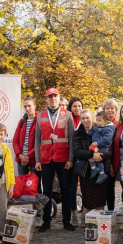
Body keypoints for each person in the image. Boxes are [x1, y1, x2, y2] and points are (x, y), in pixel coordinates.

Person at [35, 88, 76, 232]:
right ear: (46, 99)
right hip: (46, 159)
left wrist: (71, 158)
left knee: (65, 191)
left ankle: (66, 220)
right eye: (50, 97)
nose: (52, 99)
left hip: (63, 158)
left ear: (59, 98)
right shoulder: (40, 116)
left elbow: (71, 139)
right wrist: (37, 160)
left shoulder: (68, 115)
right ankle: (46, 221)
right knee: (46, 192)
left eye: (55, 97)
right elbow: (37, 140)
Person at [72, 109, 110, 221]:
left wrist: (101, 156)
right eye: (83, 118)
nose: (85, 120)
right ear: (80, 119)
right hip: (86, 169)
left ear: (92, 118)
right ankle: (87, 219)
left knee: (100, 196)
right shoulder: (77, 133)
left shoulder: (101, 130)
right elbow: (76, 151)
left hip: (101, 168)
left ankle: (100, 220)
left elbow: (109, 148)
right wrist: (92, 154)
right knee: (87, 197)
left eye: (87, 117)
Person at [13, 97, 39, 177]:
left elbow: (40, 142)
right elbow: (15, 140)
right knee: (21, 184)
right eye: (25, 106)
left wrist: (28, 157)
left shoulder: (40, 121)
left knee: (34, 186)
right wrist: (20, 155)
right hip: (21, 160)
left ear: (34, 106)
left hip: (34, 160)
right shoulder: (22, 121)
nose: (27, 108)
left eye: (29, 106)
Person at [67, 97, 83, 225]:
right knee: (72, 187)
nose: (77, 108)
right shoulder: (67, 120)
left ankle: (86, 212)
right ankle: (73, 212)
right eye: (74, 106)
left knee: (85, 187)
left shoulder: (86, 120)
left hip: (83, 158)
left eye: (79, 106)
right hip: (71, 158)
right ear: (70, 108)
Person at [88, 110, 115, 183]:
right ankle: (101, 173)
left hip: (103, 147)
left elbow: (106, 138)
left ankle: (94, 169)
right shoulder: (97, 126)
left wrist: (98, 143)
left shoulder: (108, 129)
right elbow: (93, 131)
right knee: (97, 159)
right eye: (96, 120)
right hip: (97, 145)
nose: (97, 122)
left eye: (99, 120)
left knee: (93, 157)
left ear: (105, 121)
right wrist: (88, 133)